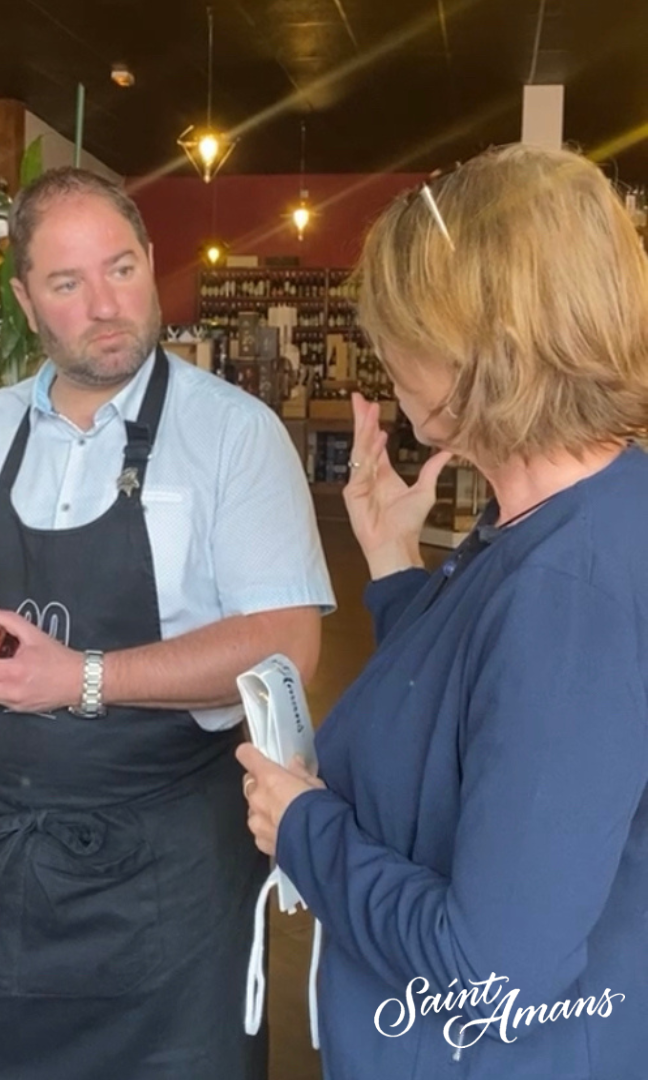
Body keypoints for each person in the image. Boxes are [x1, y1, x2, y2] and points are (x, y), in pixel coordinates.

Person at [0, 166, 335, 1079]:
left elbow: (286, 646)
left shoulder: (234, 435)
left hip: (171, 878)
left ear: (150, 263)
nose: (108, 305)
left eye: (123, 268)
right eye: (69, 284)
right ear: (27, 301)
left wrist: (84, 677)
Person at [239, 142, 648, 1080]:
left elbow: (492, 974)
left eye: (399, 327)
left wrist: (305, 830)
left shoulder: (569, 589)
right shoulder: (565, 511)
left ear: (483, 347)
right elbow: (482, 715)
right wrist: (392, 566)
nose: (383, 352)